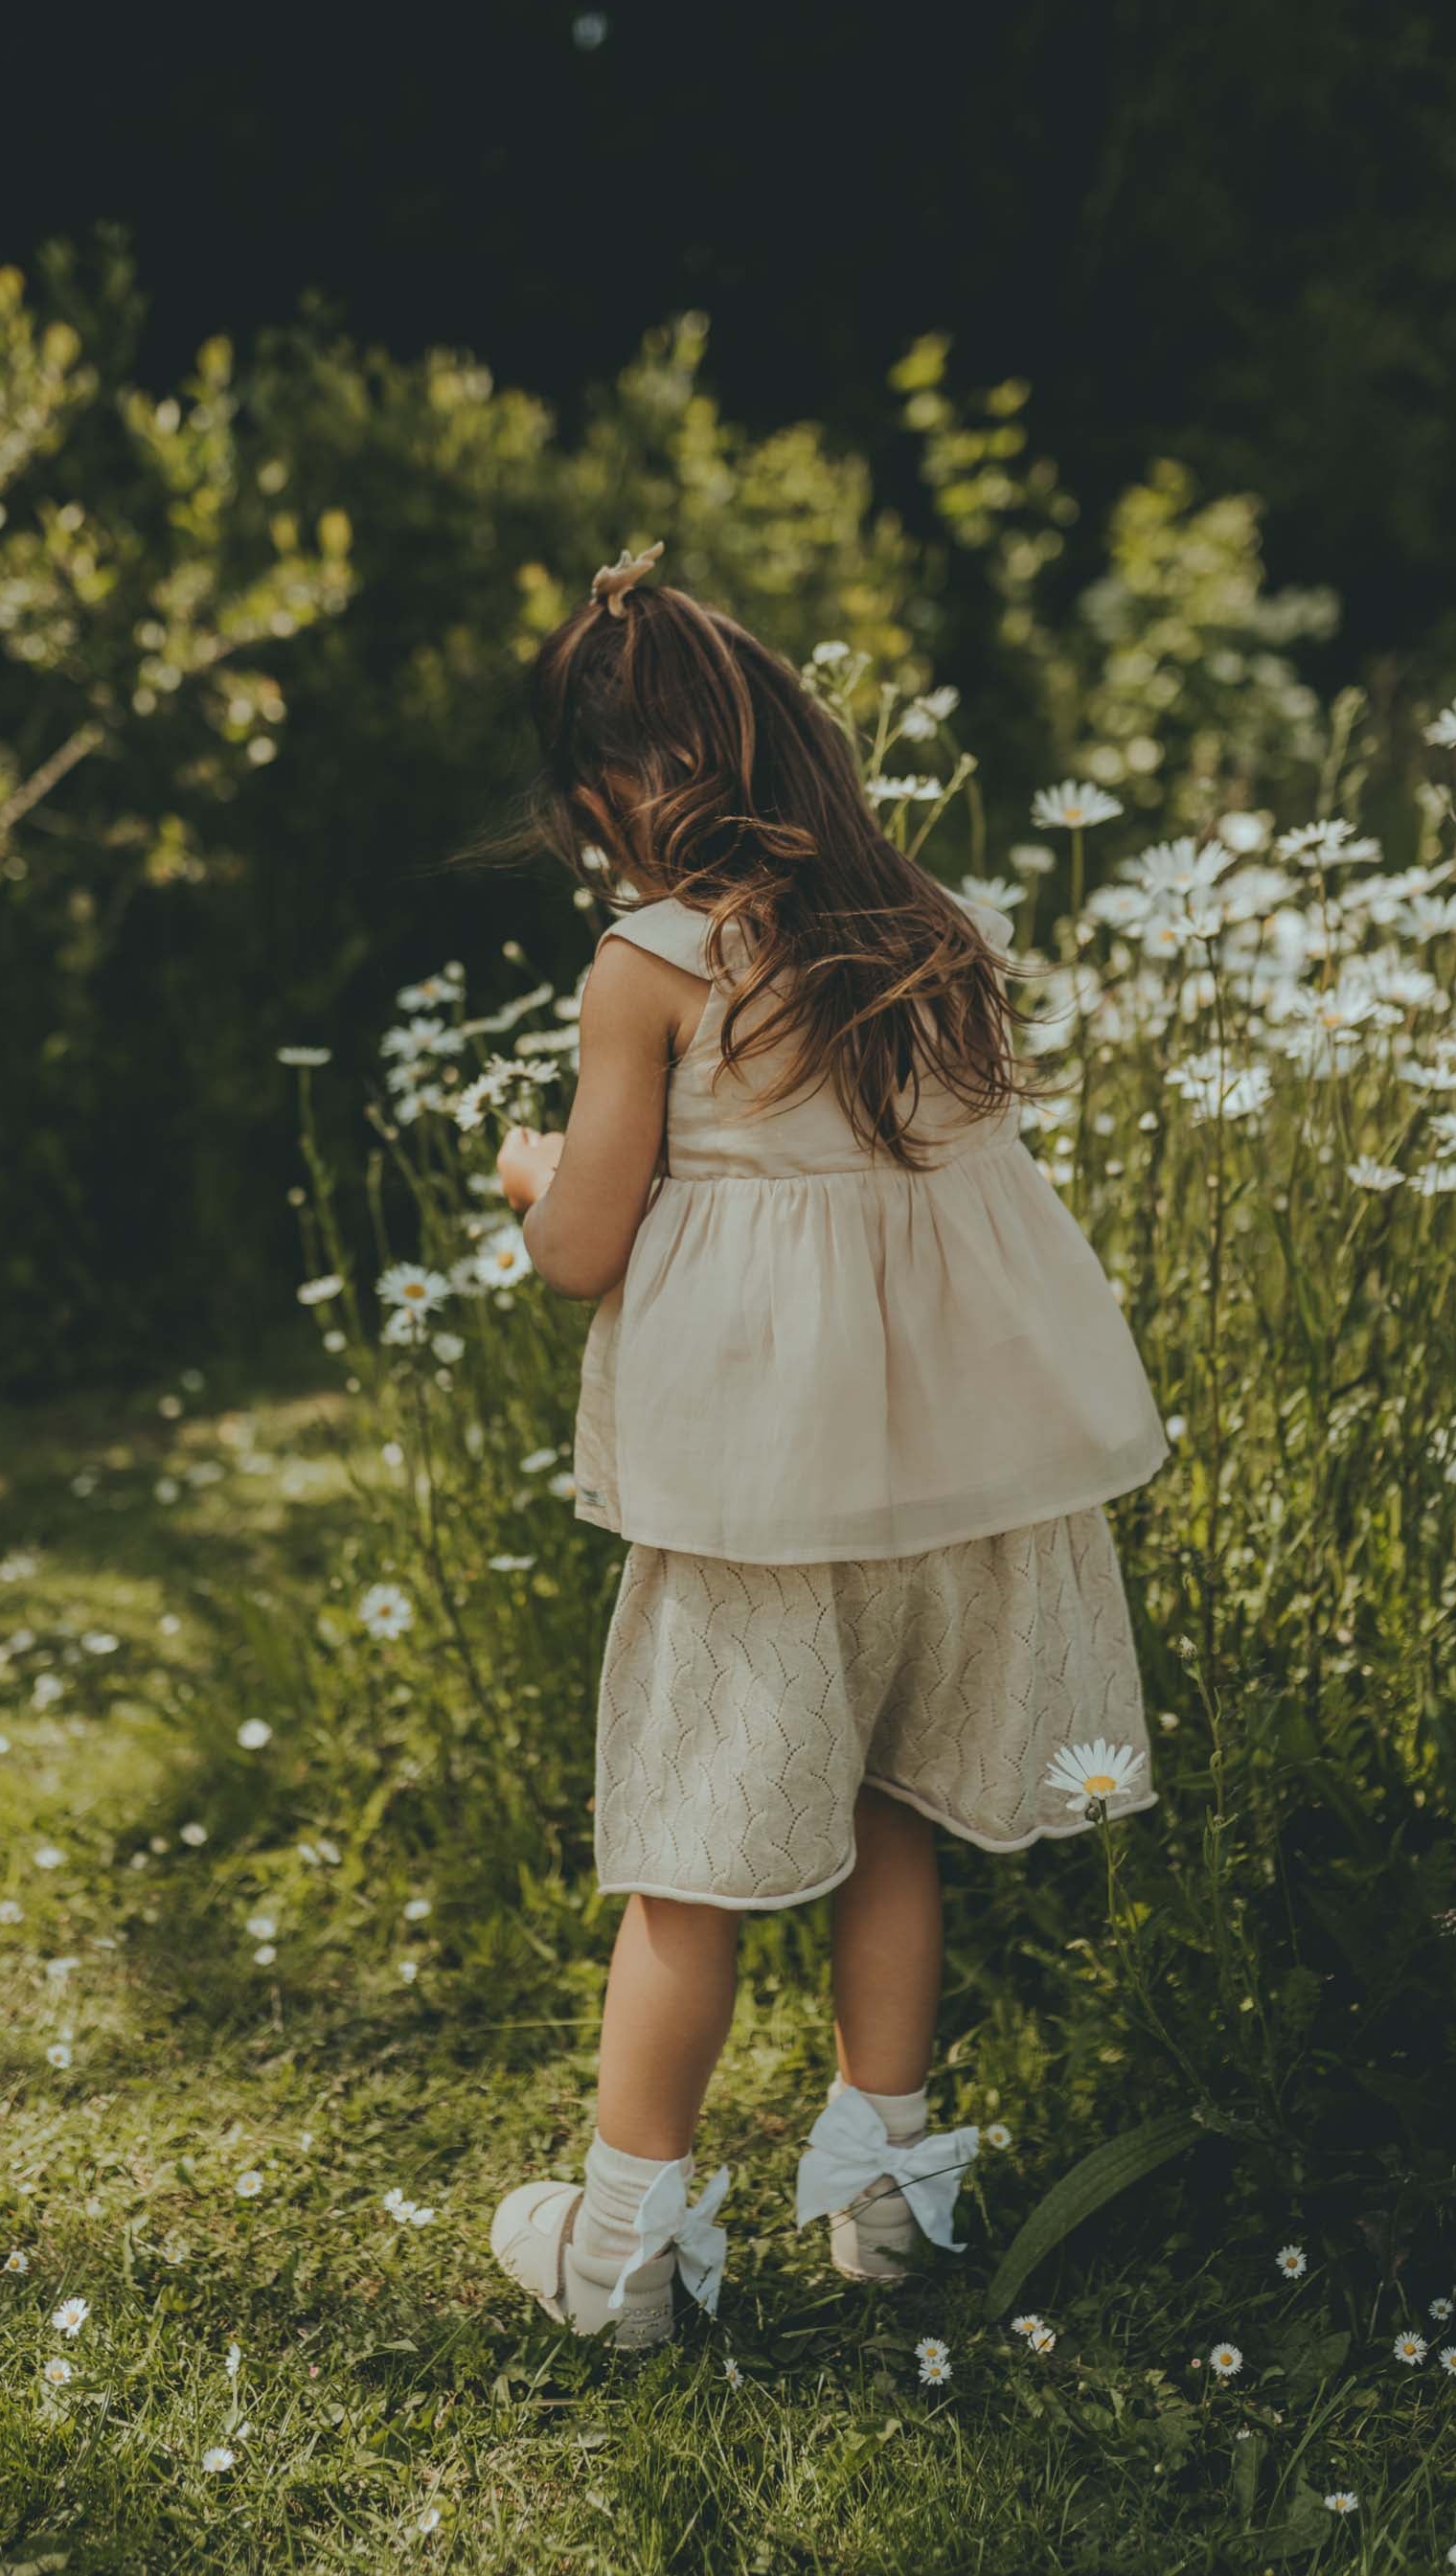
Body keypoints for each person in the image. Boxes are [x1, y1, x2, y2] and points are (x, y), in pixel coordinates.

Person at [485, 542, 1170, 2349]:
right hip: (946, 1493)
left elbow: (583, 1251)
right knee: (888, 1813)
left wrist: (529, 1180)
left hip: (759, 1506)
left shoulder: (651, 964)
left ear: (610, 798)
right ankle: (886, 2194)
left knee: (688, 1858)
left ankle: (625, 2244)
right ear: (797, 748)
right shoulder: (932, 932)